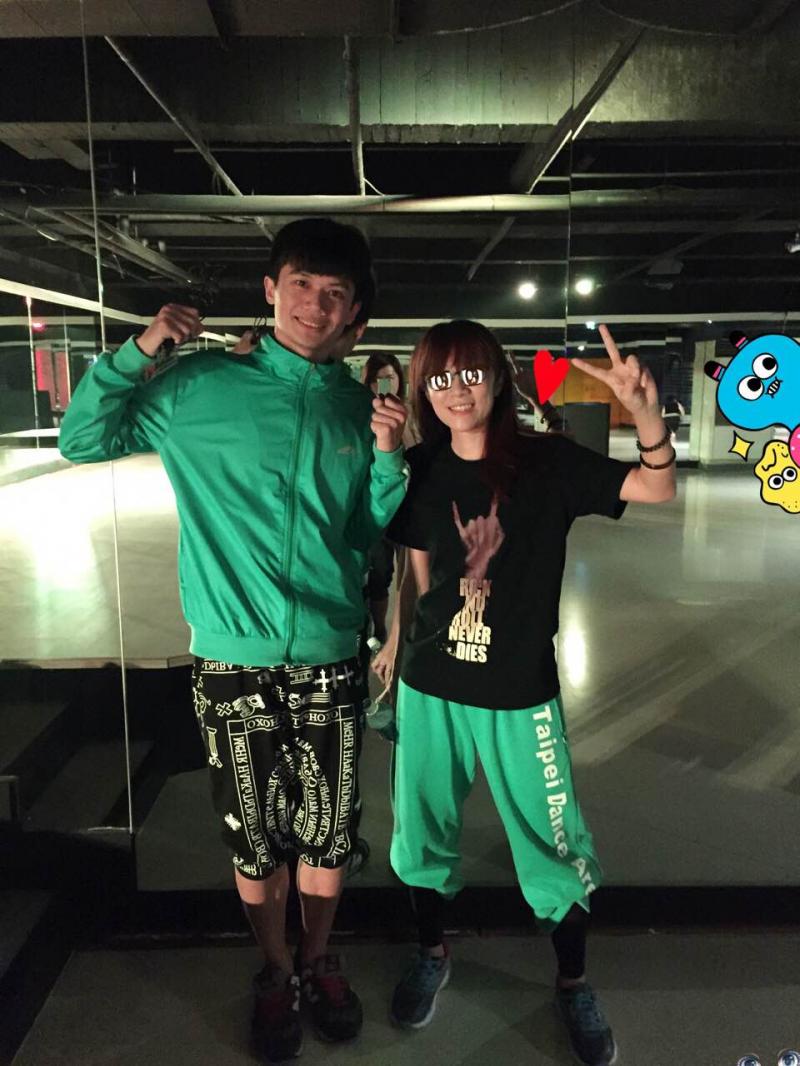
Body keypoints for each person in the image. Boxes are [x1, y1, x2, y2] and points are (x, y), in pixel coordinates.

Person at [58, 217, 408, 1064]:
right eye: (301, 285)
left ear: (354, 312)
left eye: (334, 293)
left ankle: (319, 959)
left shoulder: (359, 410)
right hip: (231, 658)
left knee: (328, 834)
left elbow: (365, 532)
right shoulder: (199, 387)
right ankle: (276, 968)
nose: (314, 306)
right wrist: (142, 350)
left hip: (328, 653)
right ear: (270, 290)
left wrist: (389, 458)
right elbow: (83, 438)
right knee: (254, 836)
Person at [380, 319, 675, 1066]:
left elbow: (656, 486)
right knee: (420, 834)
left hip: (517, 691)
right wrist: (393, 643)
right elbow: (418, 576)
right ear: (423, 389)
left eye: (470, 373)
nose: (455, 391)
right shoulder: (419, 467)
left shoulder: (546, 462)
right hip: (431, 687)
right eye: (439, 377)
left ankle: (573, 981)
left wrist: (646, 416)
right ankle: (431, 951)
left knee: (552, 846)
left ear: (499, 378)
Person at [360, 353, 416, 643]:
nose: (384, 384)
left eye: (390, 378)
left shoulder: (411, 414)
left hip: (411, 506)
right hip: (378, 506)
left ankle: (403, 632)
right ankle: (380, 630)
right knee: (380, 572)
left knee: (410, 574)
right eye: (378, 379)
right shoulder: (361, 414)